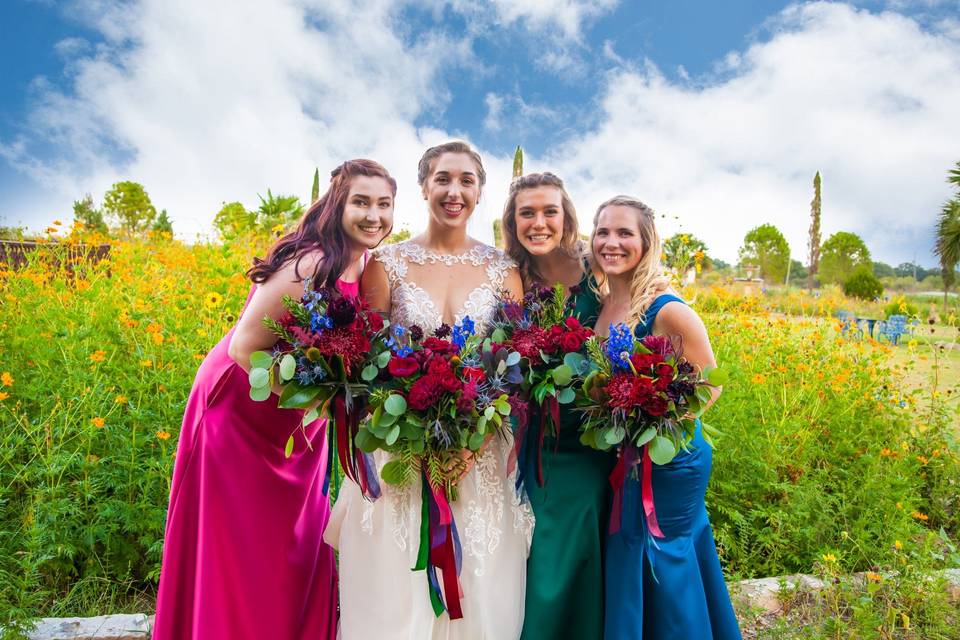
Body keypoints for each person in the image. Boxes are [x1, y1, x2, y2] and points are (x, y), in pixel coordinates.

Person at [153, 160, 396, 640]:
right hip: (238, 414)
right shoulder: (309, 262)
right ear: (337, 205)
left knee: (295, 545)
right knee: (237, 548)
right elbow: (246, 347)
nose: (374, 216)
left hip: (298, 423)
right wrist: (324, 404)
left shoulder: (365, 265)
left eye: (384, 205)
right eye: (361, 202)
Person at [325, 141, 534, 639]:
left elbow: (512, 369)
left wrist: (473, 442)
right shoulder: (387, 264)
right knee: (398, 592)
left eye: (466, 180)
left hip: (477, 453)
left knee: (478, 586)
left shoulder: (504, 271)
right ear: (424, 187)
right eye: (442, 178)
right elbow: (368, 363)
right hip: (402, 451)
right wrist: (408, 431)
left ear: (480, 192)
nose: (453, 191)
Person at [591, 196, 741, 639]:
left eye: (625, 233)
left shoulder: (667, 309)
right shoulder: (605, 300)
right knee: (632, 549)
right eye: (603, 232)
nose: (612, 242)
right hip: (626, 459)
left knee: (663, 557)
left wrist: (654, 424)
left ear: (647, 242)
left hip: (669, 461)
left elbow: (710, 384)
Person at [501, 172, 614, 640]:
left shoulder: (599, 266)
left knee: (569, 549)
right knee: (530, 553)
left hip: (586, 439)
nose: (540, 222)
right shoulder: (509, 274)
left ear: (566, 215)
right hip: (526, 434)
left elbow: (647, 302)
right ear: (512, 220)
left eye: (550, 211)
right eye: (527, 212)